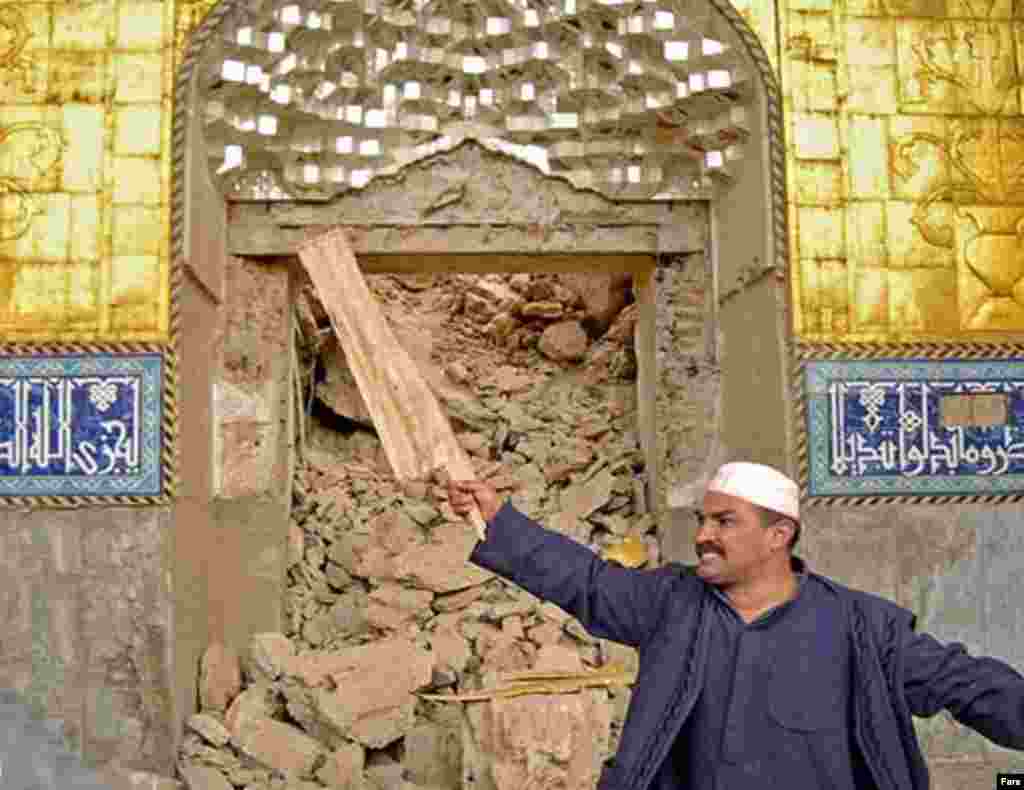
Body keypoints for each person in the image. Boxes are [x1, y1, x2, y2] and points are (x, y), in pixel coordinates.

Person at [448, 461, 1024, 790]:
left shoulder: (861, 628)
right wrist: (502, 522)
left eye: (725, 521)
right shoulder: (671, 602)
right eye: (703, 520)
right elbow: (588, 583)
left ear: (779, 535)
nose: (704, 534)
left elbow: (966, 684)